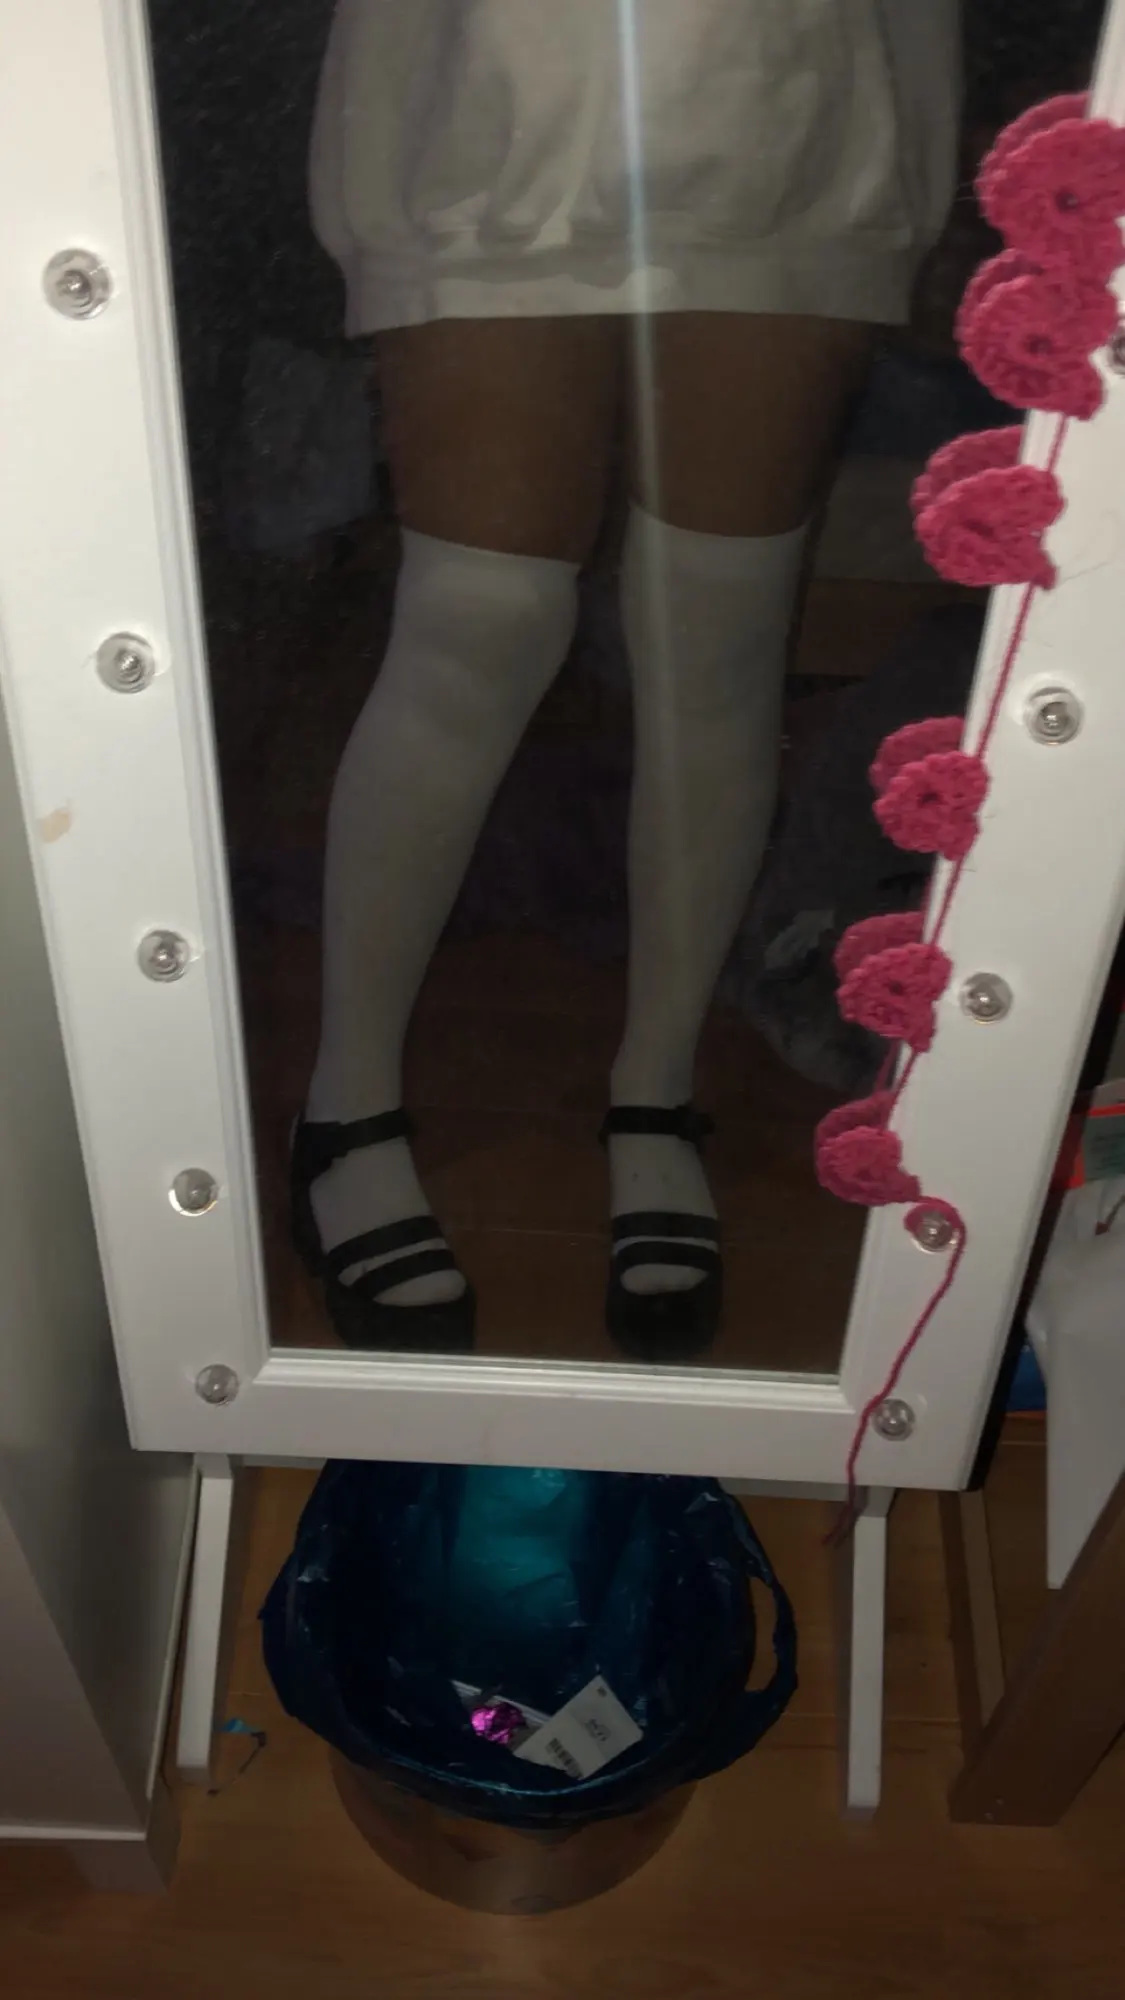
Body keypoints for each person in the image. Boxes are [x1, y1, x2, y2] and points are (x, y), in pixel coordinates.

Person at [292, 0, 960, 1359]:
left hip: (786, 93)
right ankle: (343, 1099)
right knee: (477, 617)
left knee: (719, 630)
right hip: (494, 88)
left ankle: (656, 1086)